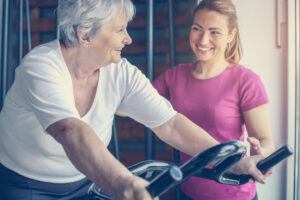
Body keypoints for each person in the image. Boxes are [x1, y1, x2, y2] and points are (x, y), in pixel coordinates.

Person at [0, 0, 269, 199]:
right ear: (85, 35)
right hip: (28, 184)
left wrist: (233, 160)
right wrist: (125, 183)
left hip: (86, 182)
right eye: (119, 30)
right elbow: (71, 130)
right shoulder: (41, 66)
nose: (128, 39)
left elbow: (170, 124)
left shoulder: (120, 72)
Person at [152, 0, 275, 200]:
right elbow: (135, 101)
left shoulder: (246, 81)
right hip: (187, 191)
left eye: (214, 32)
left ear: (231, 36)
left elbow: (265, 140)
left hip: (235, 193)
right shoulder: (174, 76)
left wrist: (261, 153)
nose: (203, 39)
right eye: (197, 28)